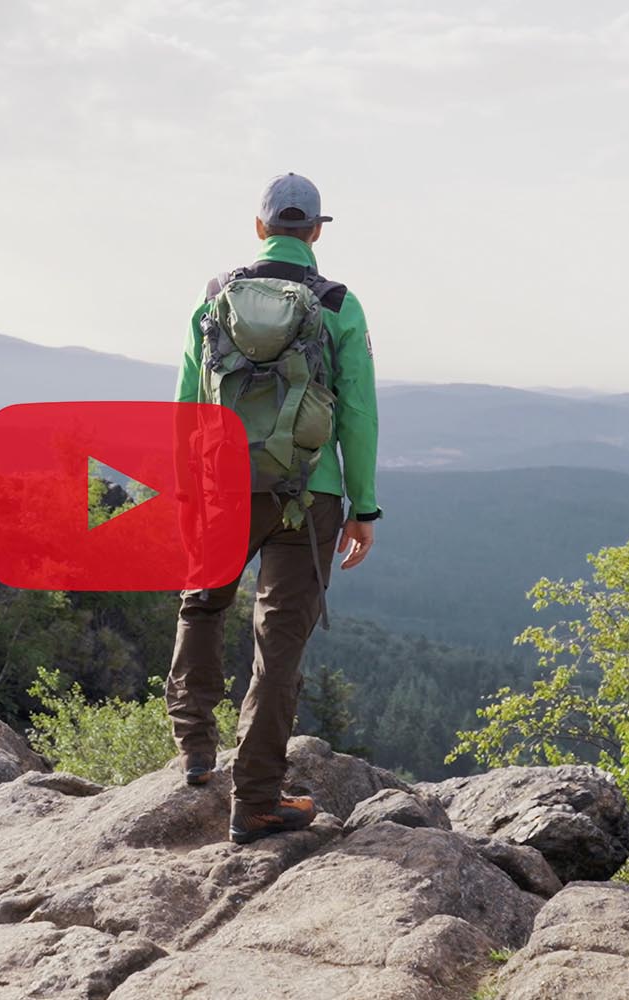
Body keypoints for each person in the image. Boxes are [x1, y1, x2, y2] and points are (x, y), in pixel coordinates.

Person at [167, 172, 381, 844]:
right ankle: (255, 800)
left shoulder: (214, 300)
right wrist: (363, 505)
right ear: (315, 232)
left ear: (260, 227)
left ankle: (197, 747)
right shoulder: (339, 304)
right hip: (308, 491)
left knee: (203, 603)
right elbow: (357, 412)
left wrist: (186, 489)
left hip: (222, 485)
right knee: (277, 645)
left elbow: (187, 400)